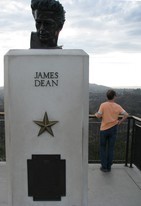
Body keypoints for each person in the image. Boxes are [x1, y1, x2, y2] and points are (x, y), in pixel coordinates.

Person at [95, 89, 128, 172]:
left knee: (102, 148)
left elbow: (98, 116)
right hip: (113, 128)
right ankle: (109, 166)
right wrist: (120, 121)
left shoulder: (103, 105)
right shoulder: (117, 106)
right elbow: (126, 114)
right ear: (114, 97)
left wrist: (96, 114)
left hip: (104, 129)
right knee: (111, 148)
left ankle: (104, 167)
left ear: (107, 96)